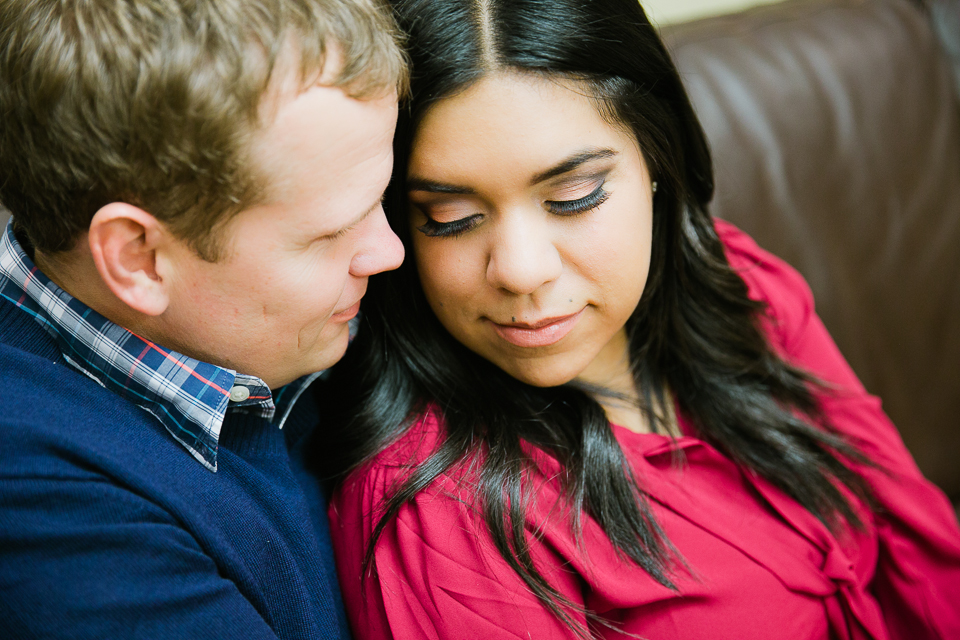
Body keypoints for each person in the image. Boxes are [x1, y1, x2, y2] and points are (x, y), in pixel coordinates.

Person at [320, 0, 960, 638]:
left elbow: (921, 547)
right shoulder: (438, 515)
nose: (520, 269)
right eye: (451, 217)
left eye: (574, 197)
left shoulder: (741, 284)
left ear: (658, 159)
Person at [0, 1, 405, 638]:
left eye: (382, 198)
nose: (391, 252)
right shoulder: (44, 505)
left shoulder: (260, 322)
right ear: (139, 258)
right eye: (327, 234)